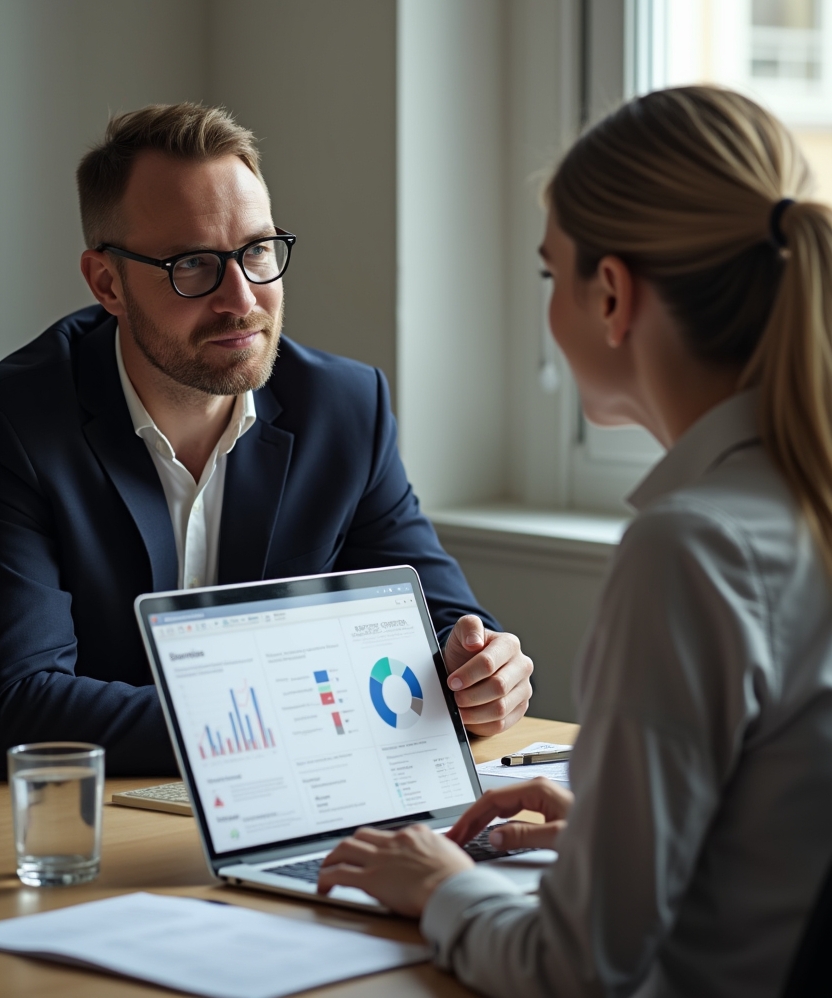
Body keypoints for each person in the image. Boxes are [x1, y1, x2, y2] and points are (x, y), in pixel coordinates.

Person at [317, 86, 832, 997]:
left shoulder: (692, 550)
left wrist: (445, 888)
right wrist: (608, 829)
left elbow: (575, 970)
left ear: (611, 294)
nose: (550, 306)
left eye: (551, 274)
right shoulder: (797, 508)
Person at [0, 103, 533, 774]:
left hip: (300, 807)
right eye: (192, 264)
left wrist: (479, 671)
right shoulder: (18, 421)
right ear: (107, 281)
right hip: (99, 828)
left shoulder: (343, 408)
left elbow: (436, 620)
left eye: (256, 251)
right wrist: (304, 718)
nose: (242, 298)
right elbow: (20, 700)